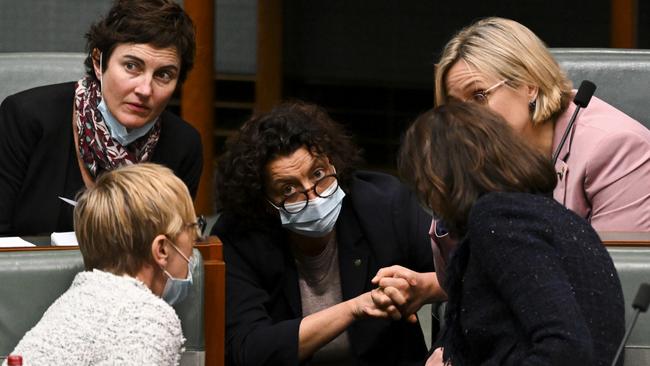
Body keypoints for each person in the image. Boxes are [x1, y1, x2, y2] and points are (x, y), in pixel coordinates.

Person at [376, 102, 625, 366]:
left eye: (423, 184)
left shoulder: (498, 218)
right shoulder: (554, 217)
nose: (427, 198)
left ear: (440, 177)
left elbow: (566, 349)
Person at [211, 102, 439, 366]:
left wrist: (423, 287)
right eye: (288, 190)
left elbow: (469, 272)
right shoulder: (240, 237)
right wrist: (354, 308)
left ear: (334, 163)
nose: (312, 195)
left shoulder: (384, 203)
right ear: (264, 201)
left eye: (318, 173)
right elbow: (249, 350)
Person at [0, 0, 203, 236]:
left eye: (164, 75)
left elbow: (172, 250)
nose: (145, 90)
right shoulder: (26, 117)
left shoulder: (183, 145)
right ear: (99, 62)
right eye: (131, 66)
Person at [434, 17, 650, 232]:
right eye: (455, 106)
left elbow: (612, 265)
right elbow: (470, 262)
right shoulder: (483, 155)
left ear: (529, 85)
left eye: (479, 96)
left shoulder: (616, 148)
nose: (465, 117)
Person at [5, 163, 201, 365]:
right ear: (161, 249)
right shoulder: (146, 319)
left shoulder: (76, 302)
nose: (196, 240)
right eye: (192, 227)